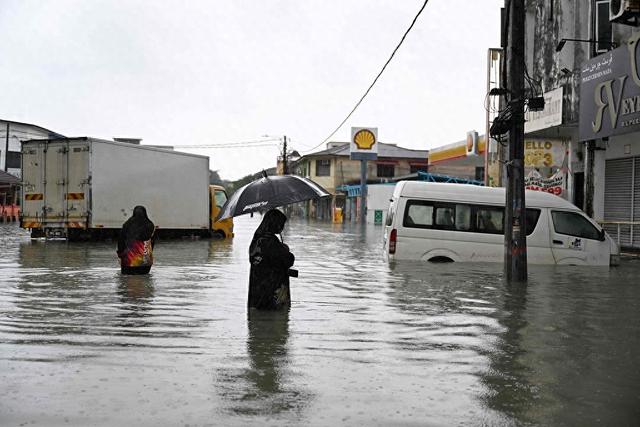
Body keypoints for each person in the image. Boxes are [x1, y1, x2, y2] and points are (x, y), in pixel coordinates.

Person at [248, 209, 295, 310]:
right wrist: (285, 249)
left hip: (257, 294)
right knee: (276, 321)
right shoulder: (271, 242)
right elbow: (288, 260)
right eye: (281, 224)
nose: (282, 228)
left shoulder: (257, 238)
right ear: (275, 224)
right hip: (271, 295)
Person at [117, 205, 156, 275]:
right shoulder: (150, 225)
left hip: (130, 260)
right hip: (146, 261)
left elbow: (121, 241)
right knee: (144, 282)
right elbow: (152, 242)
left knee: (128, 283)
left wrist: (120, 254)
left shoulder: (127, 225)